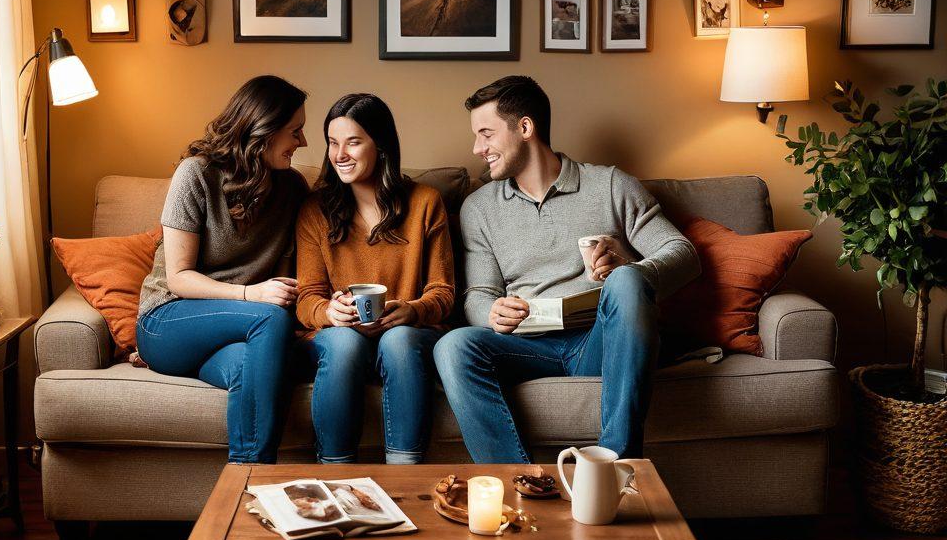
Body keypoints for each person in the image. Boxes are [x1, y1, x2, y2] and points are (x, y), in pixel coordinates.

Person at [434, 76, 700, 462]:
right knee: (453, 345)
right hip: (523, 345)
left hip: (599, 340)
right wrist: (491, 313)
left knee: (627, 280)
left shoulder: (610, 185)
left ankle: (615, 466)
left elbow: (683, 253)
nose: (477, 148)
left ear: (525, 128)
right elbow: (479, 294)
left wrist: (630, 268)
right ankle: (518, 486)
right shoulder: (479, 208)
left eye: (487, 134)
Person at [136, 75, 309, 464]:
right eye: (295, 131)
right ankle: (259, 475)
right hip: (166, 321)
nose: (303, 142)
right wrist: (251, 295)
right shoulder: (195, 174)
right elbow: (178, 277)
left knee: (253, 366)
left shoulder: (293, 188)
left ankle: (246, 478)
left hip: (236, 331)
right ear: (263, 131)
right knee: (270, 322)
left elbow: (295, 270)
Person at [296, 93, 454, 464]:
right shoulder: (314, 209)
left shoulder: (425, 202)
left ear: (380, 146)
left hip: (405, 336)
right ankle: (335, 474)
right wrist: (328, 312)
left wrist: (412, 311)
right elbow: (306, 296)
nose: (340, 155)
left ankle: (405, 472)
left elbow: (443, 291)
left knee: (398, 340)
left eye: (353, 142)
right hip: (339, 338)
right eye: (333, 143)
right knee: (343, 344)